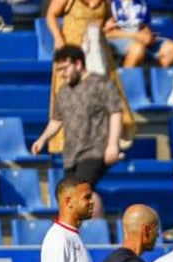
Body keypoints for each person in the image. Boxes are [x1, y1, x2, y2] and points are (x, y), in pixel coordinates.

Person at [31, 45, 123, 219]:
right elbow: (57, 120)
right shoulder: (63, 92)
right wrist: (42, 139)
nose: (62, 74)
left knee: (81, 192)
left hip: (95, 150)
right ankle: (83, 234)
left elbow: (116, 113)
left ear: (78, 64)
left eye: (65, 69)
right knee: (70, 196)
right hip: (71, 155)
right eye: (59, 70)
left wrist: (112, 145)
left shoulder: (101, 83)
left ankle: (98, 234)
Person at [45, 0, 135, 153]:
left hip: (97, 51)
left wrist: (109, 25)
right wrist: (58, 37)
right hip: (72, 48)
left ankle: (102, 141)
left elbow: (108, 19)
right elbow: (51, 15)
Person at [106, 0, 173, 67]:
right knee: (137, 49)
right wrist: (135, 35)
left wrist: (148, 35)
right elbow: (106, 33)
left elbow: (144, 26)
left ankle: (154, 79)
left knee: (171, 48)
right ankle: (124, 79)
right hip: (117, 40)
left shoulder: (141, 3)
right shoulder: (109, 3)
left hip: (138, 38)